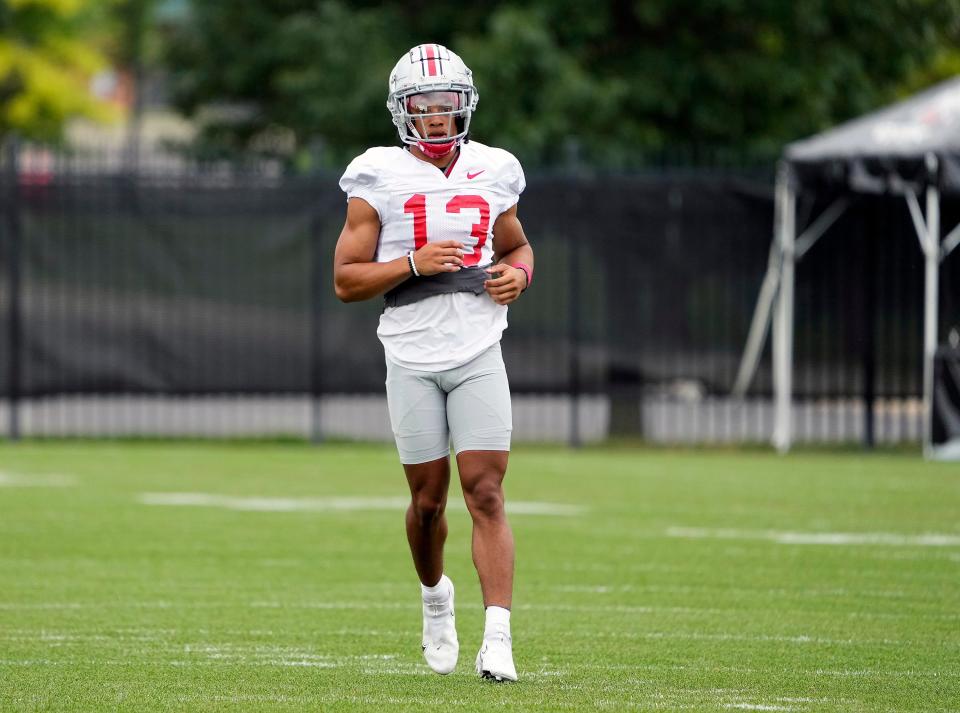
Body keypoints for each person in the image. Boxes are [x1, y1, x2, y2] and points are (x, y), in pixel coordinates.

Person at [334, 43, 533, 682]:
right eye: (425, 106)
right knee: (427, 503)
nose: (438, 117)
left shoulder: (495, 167)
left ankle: (498, 636)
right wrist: (412, 262)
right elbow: (345, 279)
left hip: (479, 346)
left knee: (487, 491)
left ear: (464, 106)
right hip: (412, 352)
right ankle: (435, 598)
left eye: (447, 106)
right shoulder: (378, 173)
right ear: (403, 111)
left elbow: (519, 246)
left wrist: (518, 276)